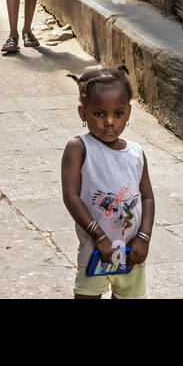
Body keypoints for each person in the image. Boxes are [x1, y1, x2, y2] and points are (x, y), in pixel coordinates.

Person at [61, 66, 154, 300]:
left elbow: (147, 197)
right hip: (96, 251)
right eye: (99, 114)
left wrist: (143, 237)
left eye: (119, 113)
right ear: (83, 113)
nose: (110, 122)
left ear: (129, 113)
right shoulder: (79, 148)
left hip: (131, 253)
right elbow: (71, 196)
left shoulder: (136, 152)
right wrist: (100, 238)